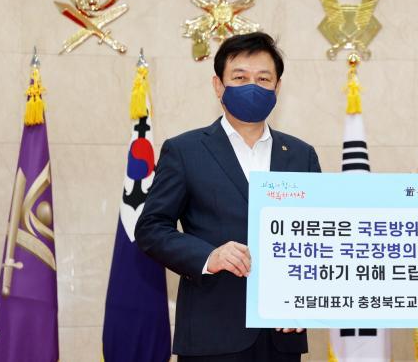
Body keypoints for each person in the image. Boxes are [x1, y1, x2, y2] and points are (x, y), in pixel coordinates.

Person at [135, 32, 320, 362]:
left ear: (277, 87)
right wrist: (209, 256)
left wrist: (304, 300)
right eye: (240, 77)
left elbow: (319, 236)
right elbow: (151, 228)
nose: (253, 86)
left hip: (282, 334)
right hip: (211, 333)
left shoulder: (301, 155)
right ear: (218, 86)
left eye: (263, 78)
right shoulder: (184, 150)